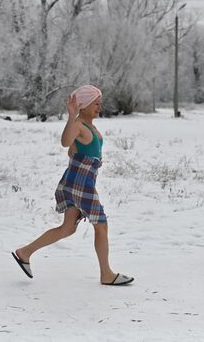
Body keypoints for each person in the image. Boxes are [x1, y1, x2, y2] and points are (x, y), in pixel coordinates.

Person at [12, 85, 134, 286]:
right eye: (95, 103)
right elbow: (65, 142)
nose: (99, 106)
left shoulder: (89, 127)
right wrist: (70, 116)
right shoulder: (78, 125)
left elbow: (72, 152)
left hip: (75, 181)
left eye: (99, 103)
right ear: (84, 105)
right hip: (81, 183)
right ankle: (106, 274)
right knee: (101, 225)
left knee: (67, 228)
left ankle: (24, 252)